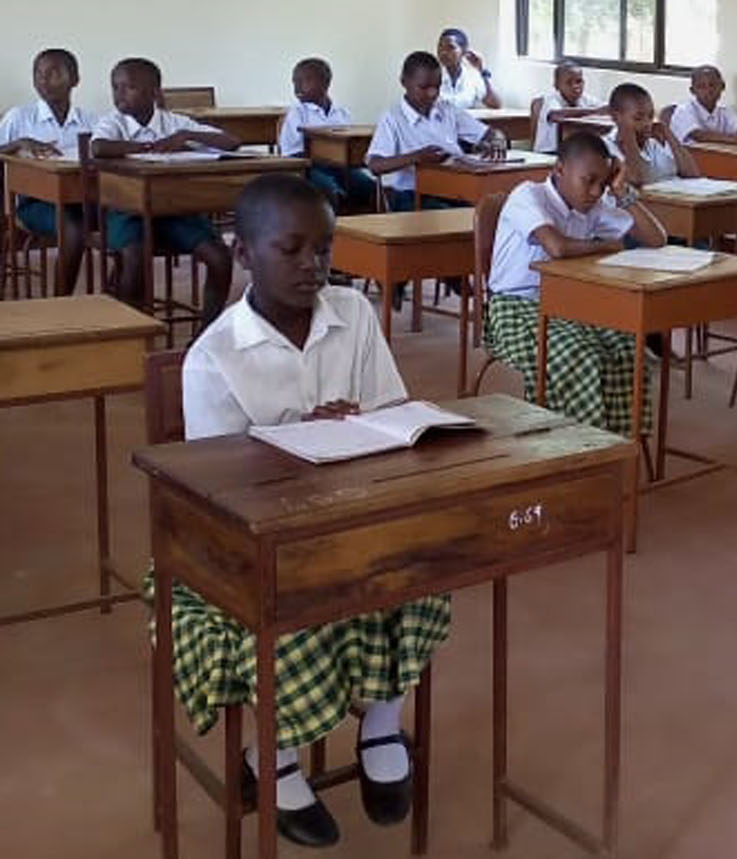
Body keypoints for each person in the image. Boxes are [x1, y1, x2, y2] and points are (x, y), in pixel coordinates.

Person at [162, 174, 448, 848]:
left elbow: (392, 415)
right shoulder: (214, 358)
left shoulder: (353, 315)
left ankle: (382, 722)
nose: (311, 266)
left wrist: (367, 428)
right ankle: (274, 755)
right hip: (249, 539)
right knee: (296, 600)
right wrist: (302, 436)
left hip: (351, 511)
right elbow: (221, 488)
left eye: (324, 248)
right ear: (242, 253)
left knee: (419, 567)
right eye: (289, 249)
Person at [484, 132, 667, 429]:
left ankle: (616, 443)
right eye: (589, 181)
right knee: (581, 356)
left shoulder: (592, 207)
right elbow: (557, 248)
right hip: (515, 307)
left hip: (571, 305)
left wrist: (623, 193)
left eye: (604, 183)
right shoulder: (529, 196)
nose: (596, 192)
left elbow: (657, 239)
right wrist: (606, 245)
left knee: (628, 349)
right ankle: (574, 445)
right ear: (559, 170)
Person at [90, 57, 237, 324]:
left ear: (155, 92)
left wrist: (188, 137)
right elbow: (99, 147)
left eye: (129, 87)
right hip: (127, 212)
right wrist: (148, 147)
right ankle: (130, 328)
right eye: (115, 87)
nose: (119, 94)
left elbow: (231, 141)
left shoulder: (175, 123)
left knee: (220, 257)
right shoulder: (114, 122)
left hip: (173, 212)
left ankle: (206, 332)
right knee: (134, 256)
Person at [0, 48, 93, 295]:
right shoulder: (20, 117)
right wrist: (18, 144)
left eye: (53, 73)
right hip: (34, 203)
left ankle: (118, 295)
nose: (44, 80)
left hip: (82, 198)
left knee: (123, 219)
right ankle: (61, 302)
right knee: (73, 228)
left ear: (75, 79)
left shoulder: (89, 120)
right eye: (38, 74)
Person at [366, 50, 506, 213]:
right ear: (404, 82)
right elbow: (375, 165)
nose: (432, 93)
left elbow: (492, 133)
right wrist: (416, 157)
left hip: (454, 189)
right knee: (451, 215)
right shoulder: (393, 118)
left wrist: (497, 141)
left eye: (437, 87)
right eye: (424, 87)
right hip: (411, 195)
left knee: (489, 210)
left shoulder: (447, 110)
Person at [278, 57, 375, 213]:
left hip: (341, 166)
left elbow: (349, 142)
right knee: (327, 188)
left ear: (325, 83)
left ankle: (359, 227)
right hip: (308, 167)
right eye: (294, 81)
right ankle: (330, 230)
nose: (297, 87)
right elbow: (291, 153)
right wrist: (323, 155)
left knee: (367, 186)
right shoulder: (297, 113)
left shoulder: (341, 112)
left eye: (305, 81)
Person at [603, 82, 700, 186]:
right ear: (615, 117)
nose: (647, 124)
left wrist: (668, 133)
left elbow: (692, 174)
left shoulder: (652, 144)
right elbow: (636, 178)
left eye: (650, 116)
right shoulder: (605, 148)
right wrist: (629, 138)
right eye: (638, 118)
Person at [668, 64, 737, 147]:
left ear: (722, 87)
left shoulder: (726, 111)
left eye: (712, 85)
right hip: (677, 167)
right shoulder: (684, 110)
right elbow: (699, 135)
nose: (708, 91)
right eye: (701, 87)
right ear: (692, 91)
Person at [532, 61, 606, 153]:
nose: (575, 86)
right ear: (557, 85)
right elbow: (556, 115)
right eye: (569, 82)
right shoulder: (550, 99)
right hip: (548, 152)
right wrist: (594, 111)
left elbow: (603, 108)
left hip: (572, 152)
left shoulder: (585, 99)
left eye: (579, 81)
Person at [434, 26, 501, 109]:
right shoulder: (430, 76)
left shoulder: (472, 77)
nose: (443, 52)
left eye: (450, 47)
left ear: (464, 51)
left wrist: (482, 70)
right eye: (440, 47)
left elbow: (494, 104)